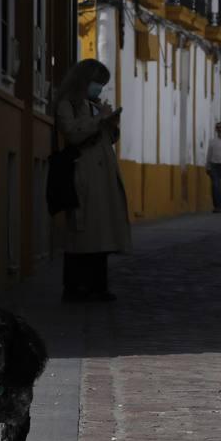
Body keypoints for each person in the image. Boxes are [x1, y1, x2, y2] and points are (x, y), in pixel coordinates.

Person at [54, 59, 132, 302]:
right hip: (84, 176)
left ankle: (98, 285)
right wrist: (100, 120)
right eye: (97, 83)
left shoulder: (94, 105)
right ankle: (75, 287)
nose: (99, 89)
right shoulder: (68, 104)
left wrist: (111, 123)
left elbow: (105, 139)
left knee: (102, 233)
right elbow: (73, 132)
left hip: (102, 178)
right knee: (82, 233)